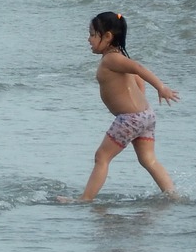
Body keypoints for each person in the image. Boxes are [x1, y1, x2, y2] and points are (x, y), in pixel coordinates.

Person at [59, 12, 179, 202]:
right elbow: (138, 80)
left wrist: (161, 87)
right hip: (145, 115)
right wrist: (140, 107)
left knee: (102, 157)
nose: (88, 39)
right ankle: (172, 195)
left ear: (107, 36)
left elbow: (139, 68)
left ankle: (85, 199)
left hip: (130, 118)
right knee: (149, 160)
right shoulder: (120, 57)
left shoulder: (111, 59)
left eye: (92, 34)